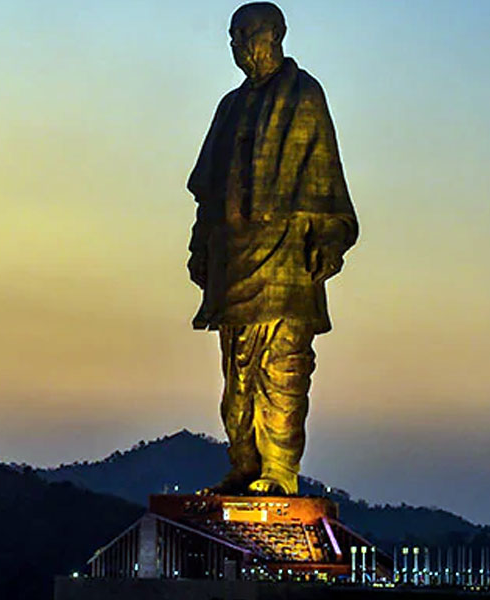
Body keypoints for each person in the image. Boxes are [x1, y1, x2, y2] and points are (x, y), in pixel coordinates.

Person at [187, 2, 359, 496]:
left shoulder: (304, 95)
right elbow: (208, 191)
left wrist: (327, 236)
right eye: (232, 35)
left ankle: (279, 471)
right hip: (234, 257)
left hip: (286, 254)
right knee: (237, 377)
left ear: (276, 35)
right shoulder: (230, 106)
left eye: (247, 34)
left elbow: (325, 177)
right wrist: (201, 245)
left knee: (281, 371)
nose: (239, 44)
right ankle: (244, 464)